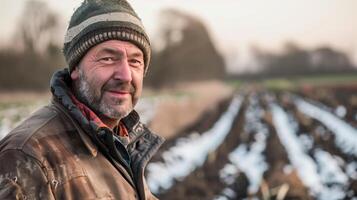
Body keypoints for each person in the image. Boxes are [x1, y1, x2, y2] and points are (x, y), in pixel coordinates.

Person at [0, 0, 164, 199]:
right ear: (76, 68)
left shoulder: (121, 144)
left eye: (135, 61)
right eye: (108, 58)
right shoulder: (27, 158)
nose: (126, 75)